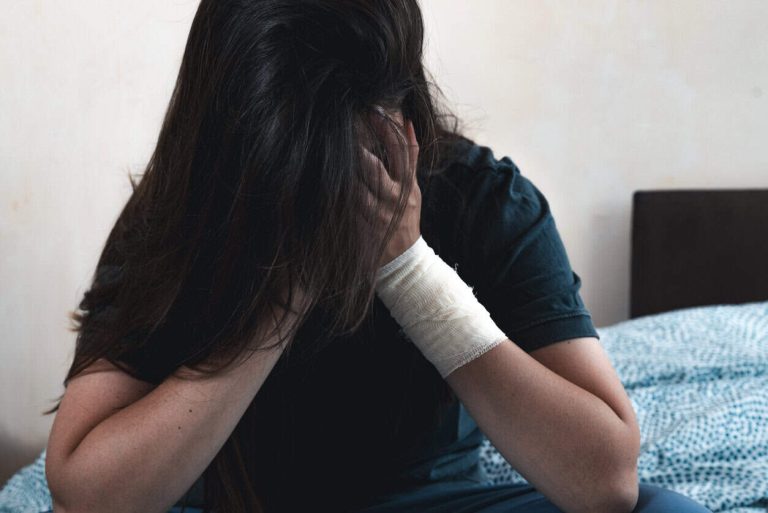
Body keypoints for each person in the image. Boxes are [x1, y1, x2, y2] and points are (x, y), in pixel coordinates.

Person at [42, 1, 713, 512]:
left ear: (401, 118)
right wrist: (290, 282)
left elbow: (608, 479)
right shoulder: (183, 206)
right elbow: (84, 486)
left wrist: (406, 267)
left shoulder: (483, 198)